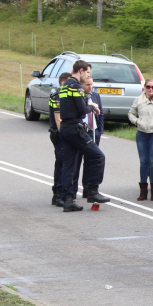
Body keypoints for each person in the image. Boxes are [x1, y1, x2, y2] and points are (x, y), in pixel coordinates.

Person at [59, 61, 110, 211]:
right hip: (76, 129)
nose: (88, 75)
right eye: (87, 72)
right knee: (98, 156)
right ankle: (92, 191)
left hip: (65, 128)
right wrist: (92, 106)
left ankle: (67, 200)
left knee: (69, 165)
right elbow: (82, 110)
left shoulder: (65, 85)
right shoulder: (75, 86)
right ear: (80, 70)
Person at [73, 77, 104, 199]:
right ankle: (73, 190)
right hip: (81, 133)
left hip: (93, 131)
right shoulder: (78, 97)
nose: (90, 87)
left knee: (91, 161)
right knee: (77, 161)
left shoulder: (95, 96)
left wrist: (99, 131)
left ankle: (88, 189)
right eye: (87, 85)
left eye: (91, 84)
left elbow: (101, 113)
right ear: (81, 85)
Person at [49, 72, 72, 207]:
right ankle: (58, 193)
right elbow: (59, 121)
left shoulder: (65, 96)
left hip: (64, 133)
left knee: (66, 164)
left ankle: (64, 192)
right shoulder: (58, 97)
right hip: (60, 134)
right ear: (64, 83)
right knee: (61, 163)